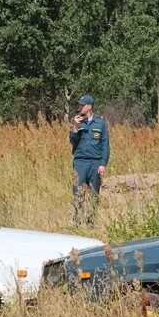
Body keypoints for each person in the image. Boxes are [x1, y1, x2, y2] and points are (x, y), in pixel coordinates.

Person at [69, 94, 110, 225]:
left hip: (95, 162)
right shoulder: (77, 121)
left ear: (89, 106)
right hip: (80, 162)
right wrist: (75, 127)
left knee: (94, 193)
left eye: (82, 105)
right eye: (79, 104)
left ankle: (91, 222)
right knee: (78, 193)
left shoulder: (100, 122)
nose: (80, 106)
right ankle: (77, 221)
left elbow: (105, 144)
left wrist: (103, 164)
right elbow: (72, 141)